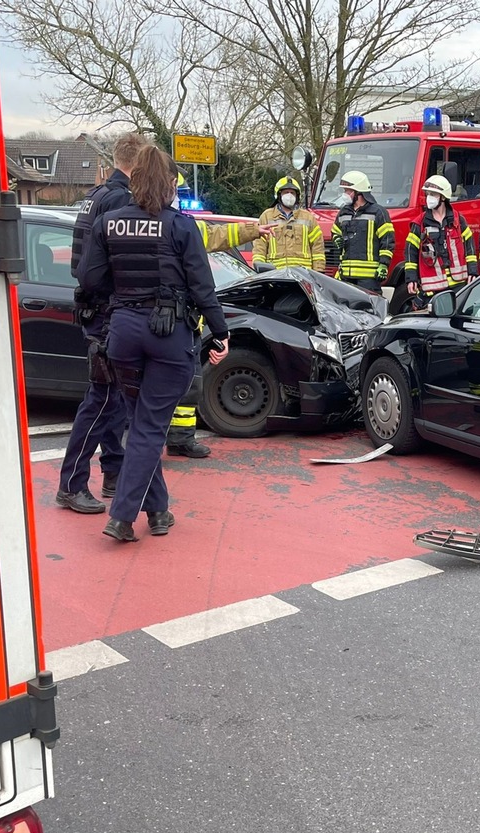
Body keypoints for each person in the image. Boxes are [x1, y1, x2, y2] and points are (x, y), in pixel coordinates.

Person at [78, 145, 231, 542]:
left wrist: (124, 298)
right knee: (148, 429)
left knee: (142, 423)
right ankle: (122, 517)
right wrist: (220, 331)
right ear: (168, 182)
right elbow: (202, 286)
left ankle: (159, 511)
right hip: (168, 337)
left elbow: (90, 279)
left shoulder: (108, 222)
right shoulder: (181, 226)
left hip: (123, 335)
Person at [55, 131, 151, 515]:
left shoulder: (94, 197)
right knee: (102, 400)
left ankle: (113, 472)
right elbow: (104, 268)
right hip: (107, 312)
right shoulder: (120, 200)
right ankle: (71, 484)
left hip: (96, 311)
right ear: (139, 162)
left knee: (113, 400)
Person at [166, 173, 274, 457]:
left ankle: (180, 439)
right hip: (167, 321)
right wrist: (220, 331)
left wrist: (254, 231)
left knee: (189, 384)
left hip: (181, 321)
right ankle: (150, 450)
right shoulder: (165, 226)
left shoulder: (185, 226)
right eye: (179, 192)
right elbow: (202, 285)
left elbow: (219, 234)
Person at [402, 174, 479, 311]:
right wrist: (411, 278)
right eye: (427, 194)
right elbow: (410, 251)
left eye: (433, 194)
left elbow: (470, 246)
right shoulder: (420, 223)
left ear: (443, 197)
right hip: (433, 288)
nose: (428, 198)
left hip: (459, 285)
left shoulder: (457, 220)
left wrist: (472, 270)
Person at [331, 170, 394, 292]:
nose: (345, 194)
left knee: (368, 309)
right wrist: (336, 238)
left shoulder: (378, 212)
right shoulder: (344, 212)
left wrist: (384, 264)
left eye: (348, 191)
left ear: (358, 192)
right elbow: (335, 231)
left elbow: (387, 240)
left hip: (369, 278)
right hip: (346, 275)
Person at [253, 176, 325, 271]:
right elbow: (259, 247)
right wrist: (260, 269)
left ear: (297, 196)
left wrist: (318, 272)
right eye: (286, 192)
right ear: (279, 195)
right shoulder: (267, 216)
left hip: (303, 276)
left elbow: (318, 248)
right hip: (276, 275)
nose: (289, 196)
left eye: (292, 193)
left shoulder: (308, 217)